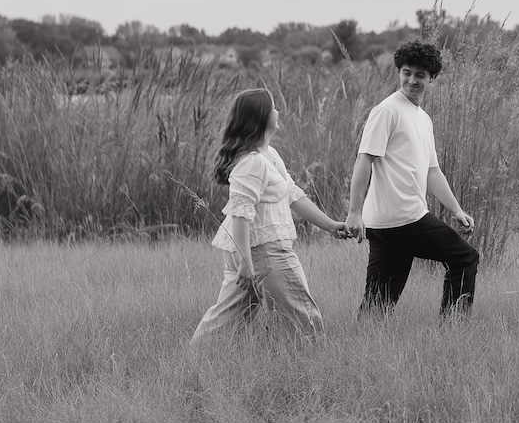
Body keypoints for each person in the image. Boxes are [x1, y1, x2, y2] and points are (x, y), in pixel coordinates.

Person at [192, 88, 351, 342]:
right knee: (303, 316)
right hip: (263, 249)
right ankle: (309, 367)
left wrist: (329, 225)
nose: (278, 111)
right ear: (262, 117)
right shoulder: (252, 162)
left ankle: (199, 357)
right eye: (274, 107)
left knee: (228, 317)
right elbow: (241, 213)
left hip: (255, 249)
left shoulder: (270, 155)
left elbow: (292, 195)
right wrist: (246, 261)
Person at [345, 40, 480, 315]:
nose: (412, 80)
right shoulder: (386, 110)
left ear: (431, 78)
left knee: (378, 303)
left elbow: (432, 171)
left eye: (420, 75)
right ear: (399, 72)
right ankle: (454, 328)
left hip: (386, 224)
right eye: (407, 72)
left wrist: (456, 209)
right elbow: (365, 159)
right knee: (465, 257)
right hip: (403, 217)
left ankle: (365, 341)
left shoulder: (422, 118)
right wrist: (354, 212)